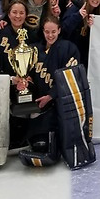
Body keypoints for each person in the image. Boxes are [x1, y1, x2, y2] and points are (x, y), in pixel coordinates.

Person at [15, 15, 80, 167]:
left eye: (53, 32)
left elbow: (71, 77)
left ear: (59, 30)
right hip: (39, 102)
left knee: (51, 126)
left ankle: (50, 145)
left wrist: (51, 95)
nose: (50, 35)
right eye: (47, 32)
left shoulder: (69, 48)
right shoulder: (34, 50)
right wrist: (25, 83)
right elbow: (28, 74)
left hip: (61, 102)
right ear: (43, 31)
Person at [62, 0, 100, 69]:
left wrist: (92, 29)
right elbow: (64, 28)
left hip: (88, 58)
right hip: (72, 55)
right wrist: (78, 16)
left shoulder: (99, 12)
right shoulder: (76, 8)